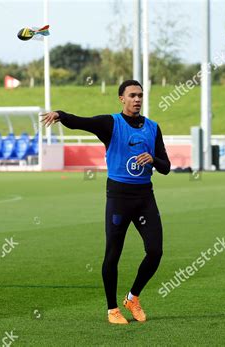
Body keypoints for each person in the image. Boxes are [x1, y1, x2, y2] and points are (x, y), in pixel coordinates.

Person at [40, 80, 171, 324]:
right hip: (119, 198)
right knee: (113, 254)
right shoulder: (111, 123)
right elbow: (82, 122)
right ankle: (112, 309)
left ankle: (133, 297)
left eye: (140, 95)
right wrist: (60, 115)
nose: (137, 99)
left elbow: (166, 167)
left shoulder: (153, 128)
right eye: (132, 95)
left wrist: (152, 158)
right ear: (121, 98)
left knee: (155, 251)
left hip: (145, 197)